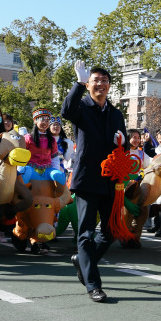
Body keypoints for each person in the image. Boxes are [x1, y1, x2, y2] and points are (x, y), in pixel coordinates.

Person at [62, 60, 127, 303]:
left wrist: (123, 142)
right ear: (88, 84)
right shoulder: (81, 107)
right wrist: (78, 84)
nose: (100, 84)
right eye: (95, 80)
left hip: (110, 180)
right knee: (86, 233)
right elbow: (66, 111)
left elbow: (123, 146)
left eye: (104, 81)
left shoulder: (116, 113)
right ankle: (93, 285)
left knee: (110, 232)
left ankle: (83, 261)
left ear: (109, 85)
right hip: (87, 178)